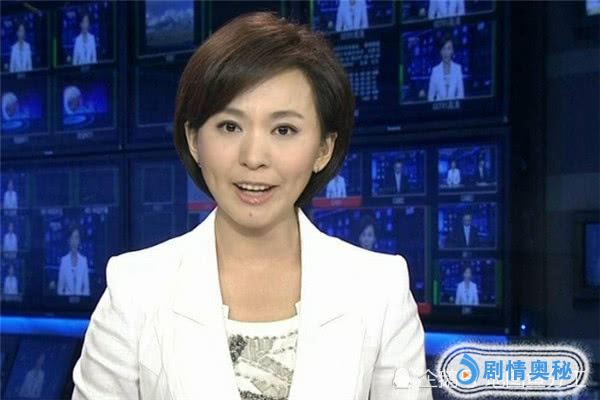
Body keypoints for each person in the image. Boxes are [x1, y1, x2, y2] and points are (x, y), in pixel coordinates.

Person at [71, 12, 431, 400]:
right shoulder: (134, 289)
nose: (254, 157)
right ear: (194, 139)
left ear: (323, 149)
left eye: (284, 130)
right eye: (230, 126)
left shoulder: (380, 290)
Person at [427, 35, 464, 102]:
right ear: (440, 51)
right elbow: (430, 97)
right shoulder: (435, 71)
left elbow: (461, 94)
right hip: (438, 108)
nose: (446, 52)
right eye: (443, 49)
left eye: (449, 48)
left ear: (452, 51)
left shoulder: (457, 69)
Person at [57, 227, 90, 296]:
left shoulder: (84, 261)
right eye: (72, 238)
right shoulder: (64, 261)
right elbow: (60, 289)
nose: (74, 241)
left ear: (79, 241)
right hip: (65, 301)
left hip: (82, 301)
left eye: (76, 238)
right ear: (68, 241)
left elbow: (86, 289)